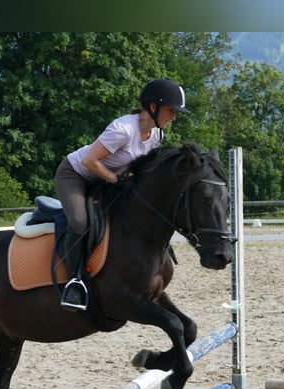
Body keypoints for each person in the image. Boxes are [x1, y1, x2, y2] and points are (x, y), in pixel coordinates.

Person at [54, 78, 189, 311]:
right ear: (153, 107)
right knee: (79, 221)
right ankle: (74, 282)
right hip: (76, 175)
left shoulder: (156, 135)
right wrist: (117, 180)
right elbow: (89, 161)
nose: (173, 117)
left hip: (106, 177)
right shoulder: (122, 130)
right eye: (171, 110)